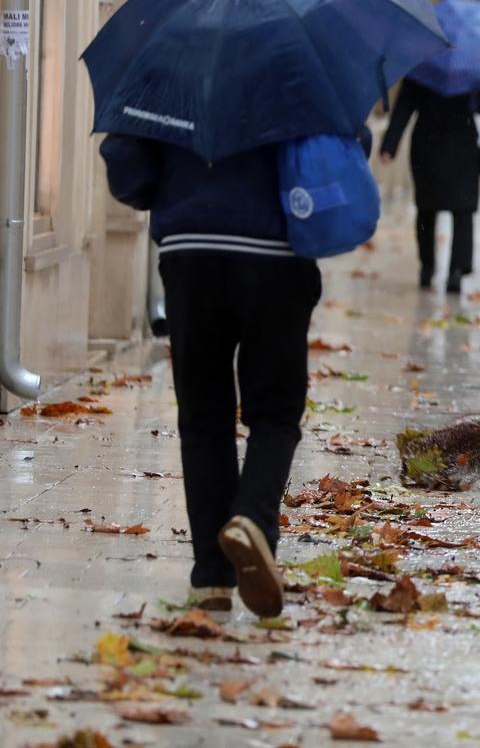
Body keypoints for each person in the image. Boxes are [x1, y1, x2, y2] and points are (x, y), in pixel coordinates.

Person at [100, 130, 366, 617]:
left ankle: (211, 578)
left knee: (203, 416)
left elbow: (128, 169)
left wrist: (176, 186)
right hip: (278, 252)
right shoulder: (302, 62)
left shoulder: (169, 63)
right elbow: (349, 147)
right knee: (276, 411)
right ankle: (252, 520)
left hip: (190, 251)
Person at [380, 78, 480, 294]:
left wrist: (390, 145)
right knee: (462, 211)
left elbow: (405, 105)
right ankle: (456, 270)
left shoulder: (424, 62)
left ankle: (427, 266)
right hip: (461, 144)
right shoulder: (470, 66)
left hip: (428, 144)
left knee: (426, 209)